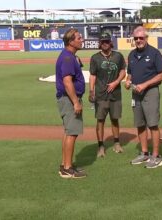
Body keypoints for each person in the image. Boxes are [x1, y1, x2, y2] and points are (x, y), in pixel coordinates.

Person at [125, 26, 162, 168]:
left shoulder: (154, 53)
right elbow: (129, 73)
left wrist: (145, 84)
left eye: (141, 38)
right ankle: (144, 153)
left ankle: (156, 156)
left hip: (150, 92)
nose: (138, 40)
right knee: (140, 124)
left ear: (146, 38)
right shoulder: (131, 55)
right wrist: (128, 80)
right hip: (136, 93)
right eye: (136, 38)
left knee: (153, 124)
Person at [89, 33, 126, 157]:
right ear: (99, 42)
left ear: (110, 42)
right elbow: (93, 75)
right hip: (100, 94)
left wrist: (116, 82)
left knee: (115, 119)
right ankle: (100, 146)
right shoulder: (95, 58)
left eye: (106, 41)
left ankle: (116, 143)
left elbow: (122, 71)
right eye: (102, 41)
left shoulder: (118, 56)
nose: (104, 43)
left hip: (115, 94)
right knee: (100, 121)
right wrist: (91, 91)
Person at [55, 28, 86, 178]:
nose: (82, 40)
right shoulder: (68, 58)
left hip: (67, 99)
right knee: (72, 133)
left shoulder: (71, 56)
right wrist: (76, 102)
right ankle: (67, 168)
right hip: (69, 100)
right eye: (79, 38)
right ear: (71, 41)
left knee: (69, 132)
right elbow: (67, 83)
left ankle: (65, 164)